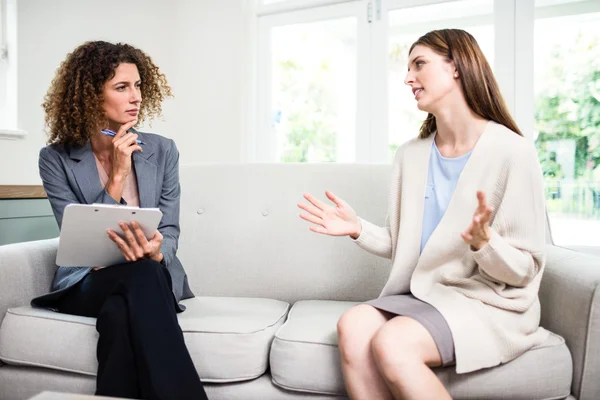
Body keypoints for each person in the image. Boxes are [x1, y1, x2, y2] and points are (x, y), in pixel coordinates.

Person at [298, 29, 548, 400]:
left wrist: (485, 243)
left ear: (457, 67)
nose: (407, 78)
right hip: (426, 295)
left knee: (393, 343)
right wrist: (357, 229)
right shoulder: (410, 155)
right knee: (352, 324)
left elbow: (524, 269)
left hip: (488, 302)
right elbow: (410, 246)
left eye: (419, 64)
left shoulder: (513, 152)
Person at [31, 41, 208, 400]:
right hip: (88, 280)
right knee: (140, 277)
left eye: (139, 85)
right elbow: (76, 235)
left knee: (118, 314)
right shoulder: (56, 159)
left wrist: (159, 253)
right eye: (122, 87)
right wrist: (116, 177)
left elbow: (170, 229)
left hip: (148, 272)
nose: (136, 97)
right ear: (91, 96)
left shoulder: (163, 150)